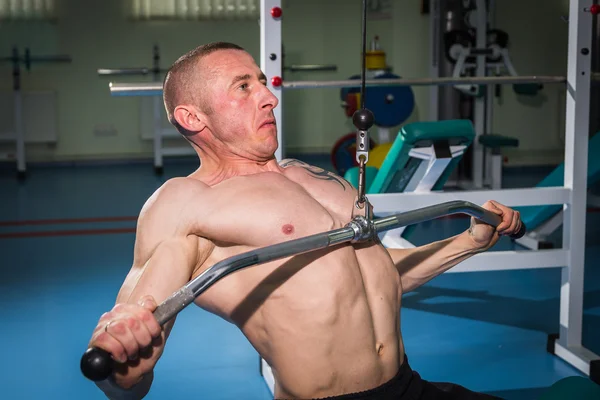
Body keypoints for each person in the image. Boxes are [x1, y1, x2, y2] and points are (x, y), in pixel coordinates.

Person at [88, 42, 521, 400]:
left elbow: (379, 277)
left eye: (262, 81)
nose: (268, 96)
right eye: (243, 86)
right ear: (193, 117)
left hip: (409, 386)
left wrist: (469, 241)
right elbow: (128, 332)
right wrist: (126, 372)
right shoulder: (187, 203)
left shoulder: (310, 176)